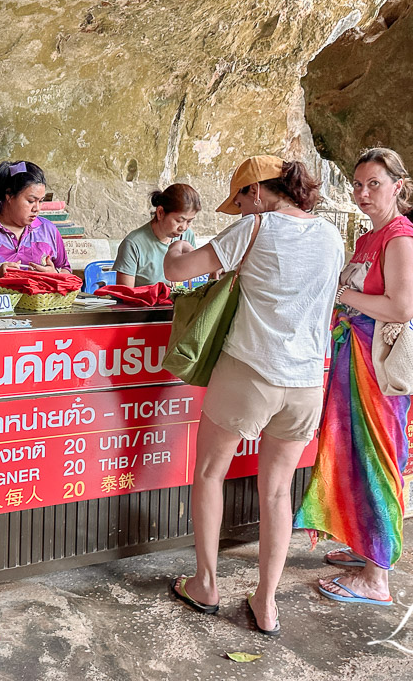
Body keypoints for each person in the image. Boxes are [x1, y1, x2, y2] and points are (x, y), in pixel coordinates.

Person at [163, 155, 345, 636]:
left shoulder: (256, 228)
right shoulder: (331, 235)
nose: (241, 210)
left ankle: (206, 585)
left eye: (241, 199)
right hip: (306, 381)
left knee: (208, 472)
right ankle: (266, 603)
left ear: (258, 192)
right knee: (279, 490)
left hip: (250, 372)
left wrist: (178, 241)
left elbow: (178, 271)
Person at [293, 147, 413, 606]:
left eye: (374, 184)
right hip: (355, 360)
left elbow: (401, 308)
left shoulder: (400, 238)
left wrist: (342, 293)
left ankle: (377, 577)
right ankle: (363, 545)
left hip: (381, 370)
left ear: (399, 187)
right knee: (350, 452)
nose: (363, 193)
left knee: (378, 457)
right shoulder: (372, 237)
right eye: (357, 184)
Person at [113, 183, 201, 287]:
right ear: (160, 213)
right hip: (144, 303)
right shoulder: (133, 244)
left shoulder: (187, 236)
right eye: (179, 220)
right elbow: (125, 295)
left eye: (189, 221)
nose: (184, 227)